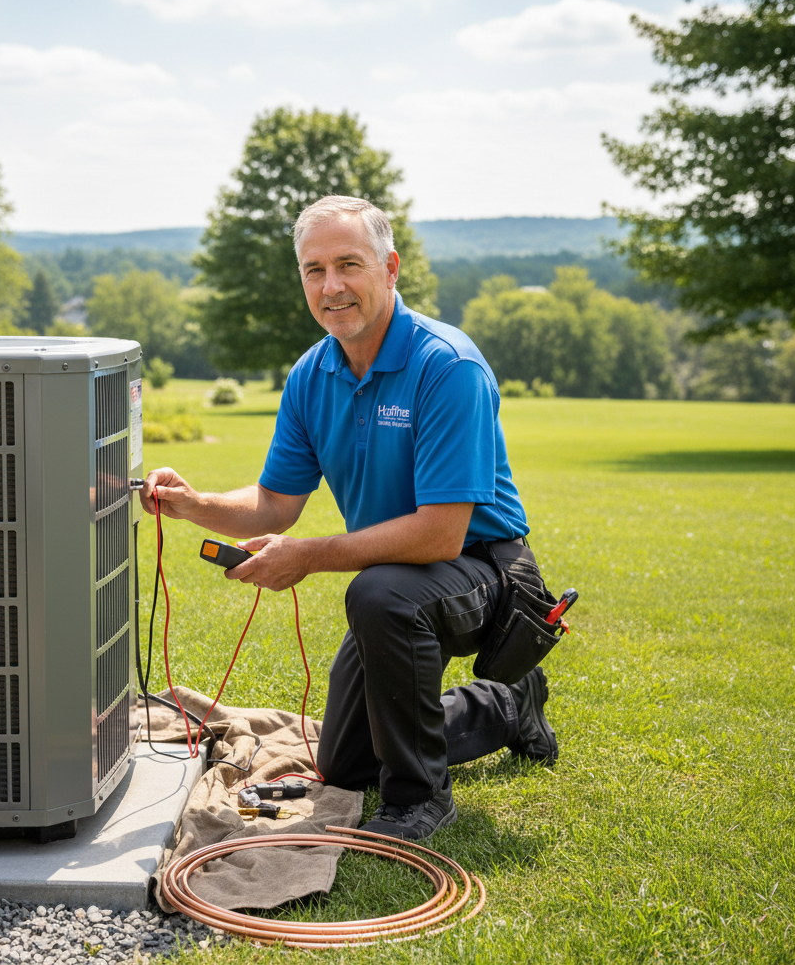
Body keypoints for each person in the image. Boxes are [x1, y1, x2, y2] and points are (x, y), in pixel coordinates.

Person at [140, 194, 558, 840]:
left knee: (380, 593)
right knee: (344, 763)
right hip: (398, 574)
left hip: (485, 569)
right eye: (314, 270)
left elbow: (442, 532)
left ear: (389, 269)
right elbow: (275, 503)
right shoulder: (312, 374)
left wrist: (307, 554)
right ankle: (507, 705)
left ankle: (419, 798)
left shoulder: (446, 366)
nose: (331, 286)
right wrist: (195, 505)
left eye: (349, 265)